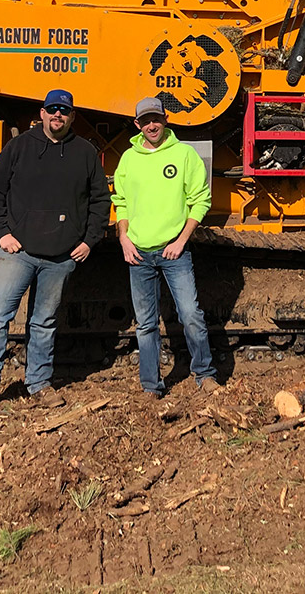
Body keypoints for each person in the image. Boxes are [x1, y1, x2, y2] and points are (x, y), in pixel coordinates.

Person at [0, 88, 110, 406]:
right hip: (17, 252)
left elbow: (100, 200)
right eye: (52, 109)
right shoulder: (19, 146)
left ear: (72, 116)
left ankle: (39, 384)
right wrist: (3, 233)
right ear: (42, 113)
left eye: (64, 110)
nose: (58, 114)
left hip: (61, 256)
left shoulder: (85, 153)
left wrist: (89, 240)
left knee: (44, 323)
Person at [113, 95, 217, 398]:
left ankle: (205, 374)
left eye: (155, 119)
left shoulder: (184, 155)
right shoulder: (128, 159)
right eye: (145, 121)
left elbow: (201, 200)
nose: (151, 125)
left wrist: (181, 241)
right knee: (145, 325)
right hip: (138, 255)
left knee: (191, 315)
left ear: (165, 119)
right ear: (137, 124)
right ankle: (151, 386)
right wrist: (123, 238)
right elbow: (120, 203)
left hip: (175, 252)